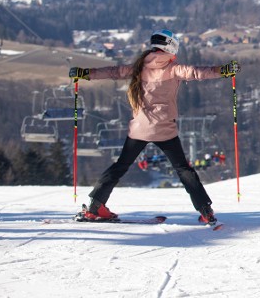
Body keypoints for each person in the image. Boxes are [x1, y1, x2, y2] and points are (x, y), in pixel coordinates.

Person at [68, 29, 239, 226]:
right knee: (183, 169)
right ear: (171, 46)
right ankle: (205, 211)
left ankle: (95, 207)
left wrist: (85, 74)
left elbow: (113, 72)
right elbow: (197, 72)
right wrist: (222, 70)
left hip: (139, 128)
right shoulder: (174, 68)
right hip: (164, 129)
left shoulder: (139, 67)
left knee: (120, 166)